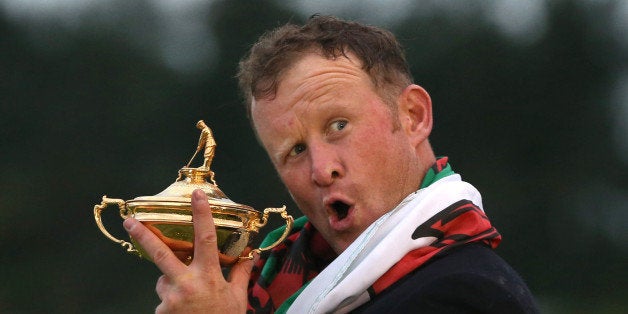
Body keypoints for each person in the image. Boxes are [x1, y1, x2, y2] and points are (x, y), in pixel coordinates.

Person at [123, 15, 539, 313]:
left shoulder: (473, 294)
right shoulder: (269, 286)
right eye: (295, 151)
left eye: (338, 126)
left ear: (412, 116)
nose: (322, 171)